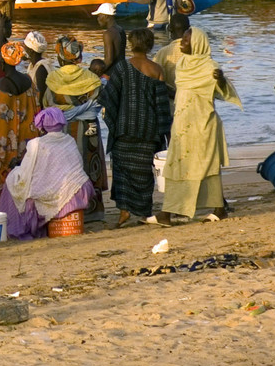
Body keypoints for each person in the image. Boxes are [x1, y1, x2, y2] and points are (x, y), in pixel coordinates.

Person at [159, 27, 239, 223]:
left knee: (207, 166)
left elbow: (222, 93)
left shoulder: (210, 66)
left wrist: (220, 80)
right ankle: (170, 211)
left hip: (203, 123)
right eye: (183, 39)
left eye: (186, 41)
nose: (182, 43)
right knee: (177, 164)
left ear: (197, 44)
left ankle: (216, 210)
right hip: (182, 123)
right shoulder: (183, 64)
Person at [98, 29, 173, 227]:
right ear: (149, 46)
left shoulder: (122, 68)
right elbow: (162, 106)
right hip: (149, 131)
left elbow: (110, 98)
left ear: (131, 45)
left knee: (122, 172)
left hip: (124, 129)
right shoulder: (157, 70)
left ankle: (124, 212)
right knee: (144, 173)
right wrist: (167, 134)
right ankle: (144, 211)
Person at [0, 107, 95, 240]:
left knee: (12, 180)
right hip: (78, 190)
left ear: (42, 125)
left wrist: (14, 173)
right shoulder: (69, 140)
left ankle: (18, 227)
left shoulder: (36, 144)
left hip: (58, 192)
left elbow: (25, 173)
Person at [45, 37, 108, 218]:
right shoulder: (92, 79)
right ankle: (92, 212)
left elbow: (47, 106)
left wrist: (67, 111)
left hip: (63, 130)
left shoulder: (52, 80)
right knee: (89, 164)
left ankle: (69, 211)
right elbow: (98, 102)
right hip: (89, 129)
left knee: (66, 168)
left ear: (60, 56)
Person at [0, 39, 42, 208]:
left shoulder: (3, 84)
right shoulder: (28, 80)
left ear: (2, 60)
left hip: (6, 148)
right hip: (26, 144)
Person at [94, 2, 127, 72]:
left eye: (99, 16)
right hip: (122, 70)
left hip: (113, 72)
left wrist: (97, 74)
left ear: (106, 16)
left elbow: (109, 60)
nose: (98, 19)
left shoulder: (108, 34)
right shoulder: (120, 29)